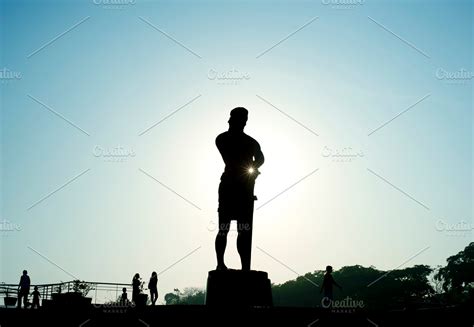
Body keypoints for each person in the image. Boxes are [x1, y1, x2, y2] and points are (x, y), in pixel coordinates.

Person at [215, 107, 264, 271]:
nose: (241, 123)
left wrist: (254, 167)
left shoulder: (251, 142)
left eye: (244, 120)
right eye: (238, 119)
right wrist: (250, 166)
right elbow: (231, 159)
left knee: (244, 230)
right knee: (224, 228)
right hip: (229, 185)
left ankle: (245, 267)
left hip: (245, 188)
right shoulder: (222, 139)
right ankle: (220, 263)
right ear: (230, 120)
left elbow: (261, 158)